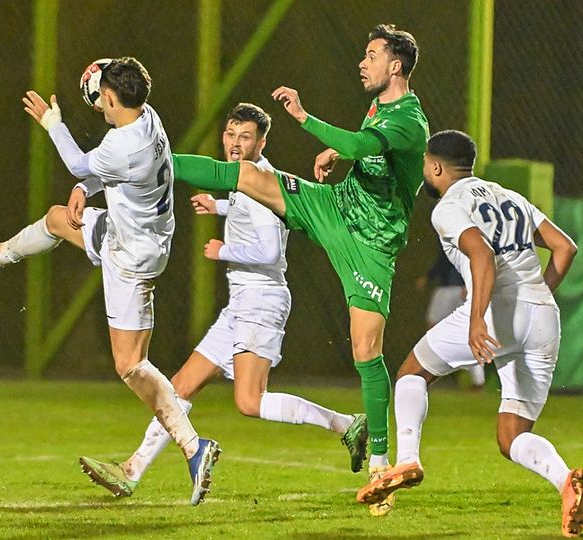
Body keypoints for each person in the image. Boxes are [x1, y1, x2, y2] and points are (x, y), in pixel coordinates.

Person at [170, 24, 429, 516]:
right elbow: (363, 150)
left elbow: (365, 147)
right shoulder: (379, 104)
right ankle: (157, 159)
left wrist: (306, 119)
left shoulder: (411, 121)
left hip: (372, 247)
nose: (363, 62)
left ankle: (379, 463)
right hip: (334, 207)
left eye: (372, 55)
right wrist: (336, 155)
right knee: (249, 176)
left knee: (365, 350)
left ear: (395, 66)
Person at [77, 103, 368, 498]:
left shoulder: (260, 178)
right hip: (242, 303)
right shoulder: (248, 182)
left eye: (244, 137)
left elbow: (269, 250)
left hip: (261, 301)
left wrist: (223, 250)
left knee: (249, 401)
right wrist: (219, 206)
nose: (234, 143)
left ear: (262, 142)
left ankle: (345, 423)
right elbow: (250, 210)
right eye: (230, 134)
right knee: (180, 385)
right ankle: (132, 470)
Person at [0, 57, 220, 506]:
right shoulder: (148, 117)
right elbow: (97, 171)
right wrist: (87, 189)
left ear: (109, 97)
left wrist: (53, 123)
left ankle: (192, 446)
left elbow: (77, 161)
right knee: (57, 219)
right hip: (146, 239)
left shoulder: (120, 145)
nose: (99, 107)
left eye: (101, 99)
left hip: (129, 258)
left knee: (130, 365)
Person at [356, 130, 583, 537]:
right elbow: (566, 247)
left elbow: (481, 253)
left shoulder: (449, 205)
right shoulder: (510, 196)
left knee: (412, 374)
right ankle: (566, 481)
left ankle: (407, 459)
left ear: (435, 167)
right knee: (512, 436)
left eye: (426, 168)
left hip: (499, 311)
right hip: (543, 316)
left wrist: (478, 319)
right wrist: (536, 298)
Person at [418, 251, 484, 390]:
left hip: (453, 289)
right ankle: (429, 371)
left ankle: (477, 380)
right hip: (450, 288)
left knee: (467, 333)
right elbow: (443, 262)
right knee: (435, 329)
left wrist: (469, 284)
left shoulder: (463, 233)